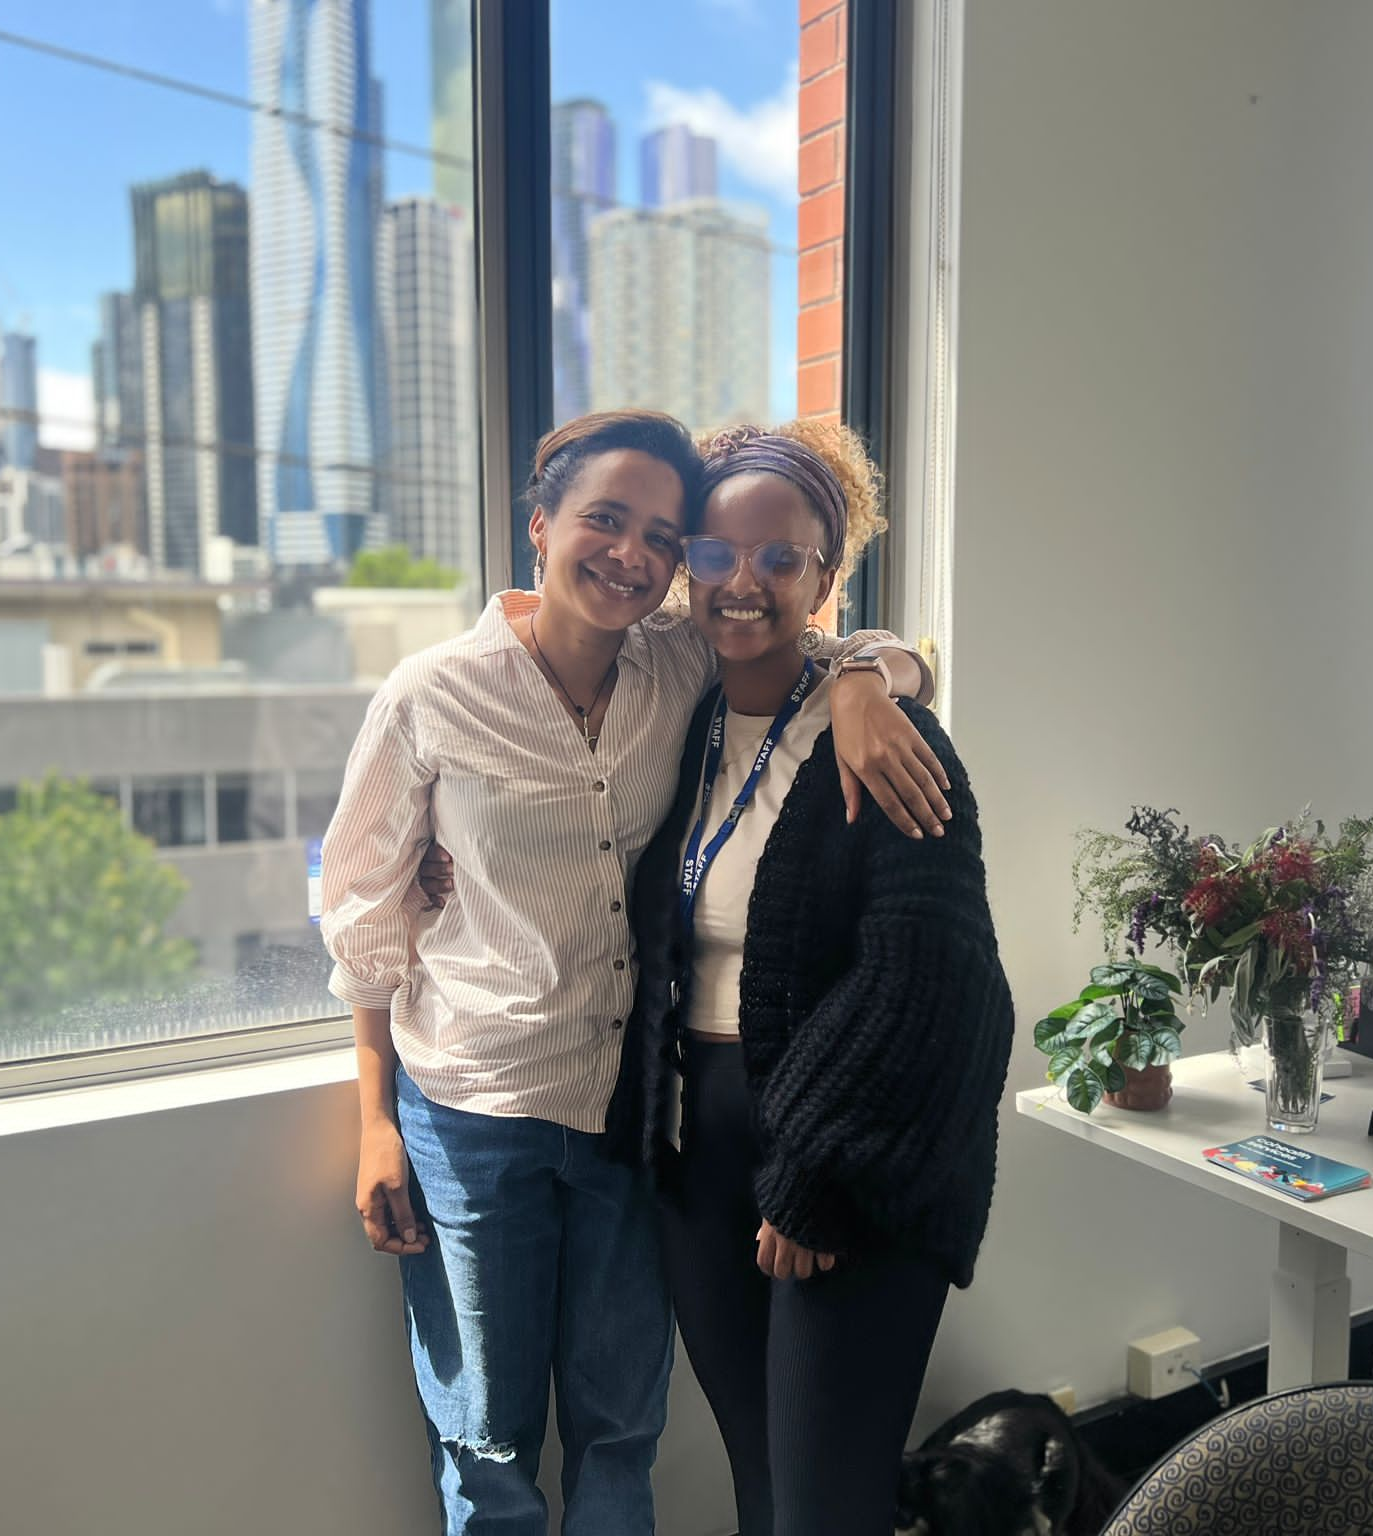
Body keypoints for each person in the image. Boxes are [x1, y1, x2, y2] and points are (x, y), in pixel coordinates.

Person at [316, 408, 947, 1536]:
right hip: (472, 1115)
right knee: (487, 1439)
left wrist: (871, 680)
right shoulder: (430, 695)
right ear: (539, 527)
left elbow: (832, 636)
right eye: (604, 521)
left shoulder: (675, 664)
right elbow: (361, 913)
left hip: (626, 1116)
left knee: (621, 1429)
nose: (632, 553)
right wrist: (373, 1120)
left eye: (659, 535)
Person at [622, 420, 1015, 1536]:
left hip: (844, 1160)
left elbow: (932, 983)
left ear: (824, 576)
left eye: (778, 557)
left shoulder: (881, 737)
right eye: (712, 553)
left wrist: (818, 1176)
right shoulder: (681, 719)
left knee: (823, 1507)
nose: (739, 582)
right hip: (700, 1155)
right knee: (759, 1480)